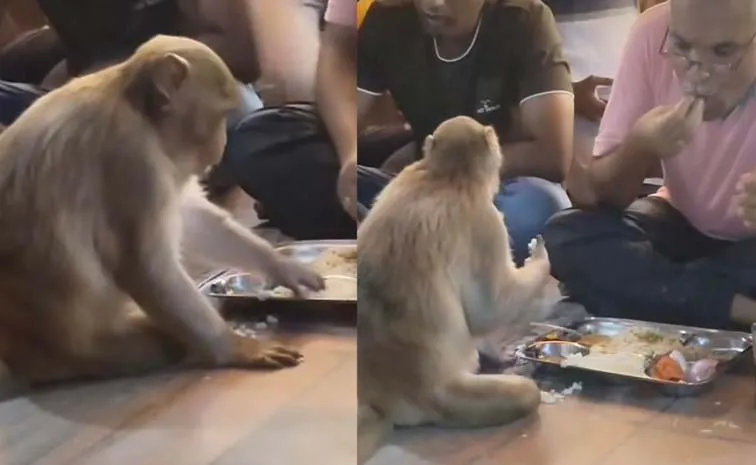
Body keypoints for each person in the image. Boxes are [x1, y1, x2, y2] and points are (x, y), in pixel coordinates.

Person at [543, 0, 756, 330]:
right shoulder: (650, 32)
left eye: (724, 52)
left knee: (610, 279)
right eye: (681, 47)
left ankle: (643, 301)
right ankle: (736, 310)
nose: (698, 73)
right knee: (567, 236)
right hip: (680, 221)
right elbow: (606, 197)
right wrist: (640, 145)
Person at [356, 0, 575, 264]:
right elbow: (349, 113)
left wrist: (445, 173)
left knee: (539, 210)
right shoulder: (389, 16)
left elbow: (552, 155)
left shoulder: (525, 19)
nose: (434, 4)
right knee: (327, 176)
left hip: (497, 185)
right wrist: (349, 162)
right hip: (421, 187)